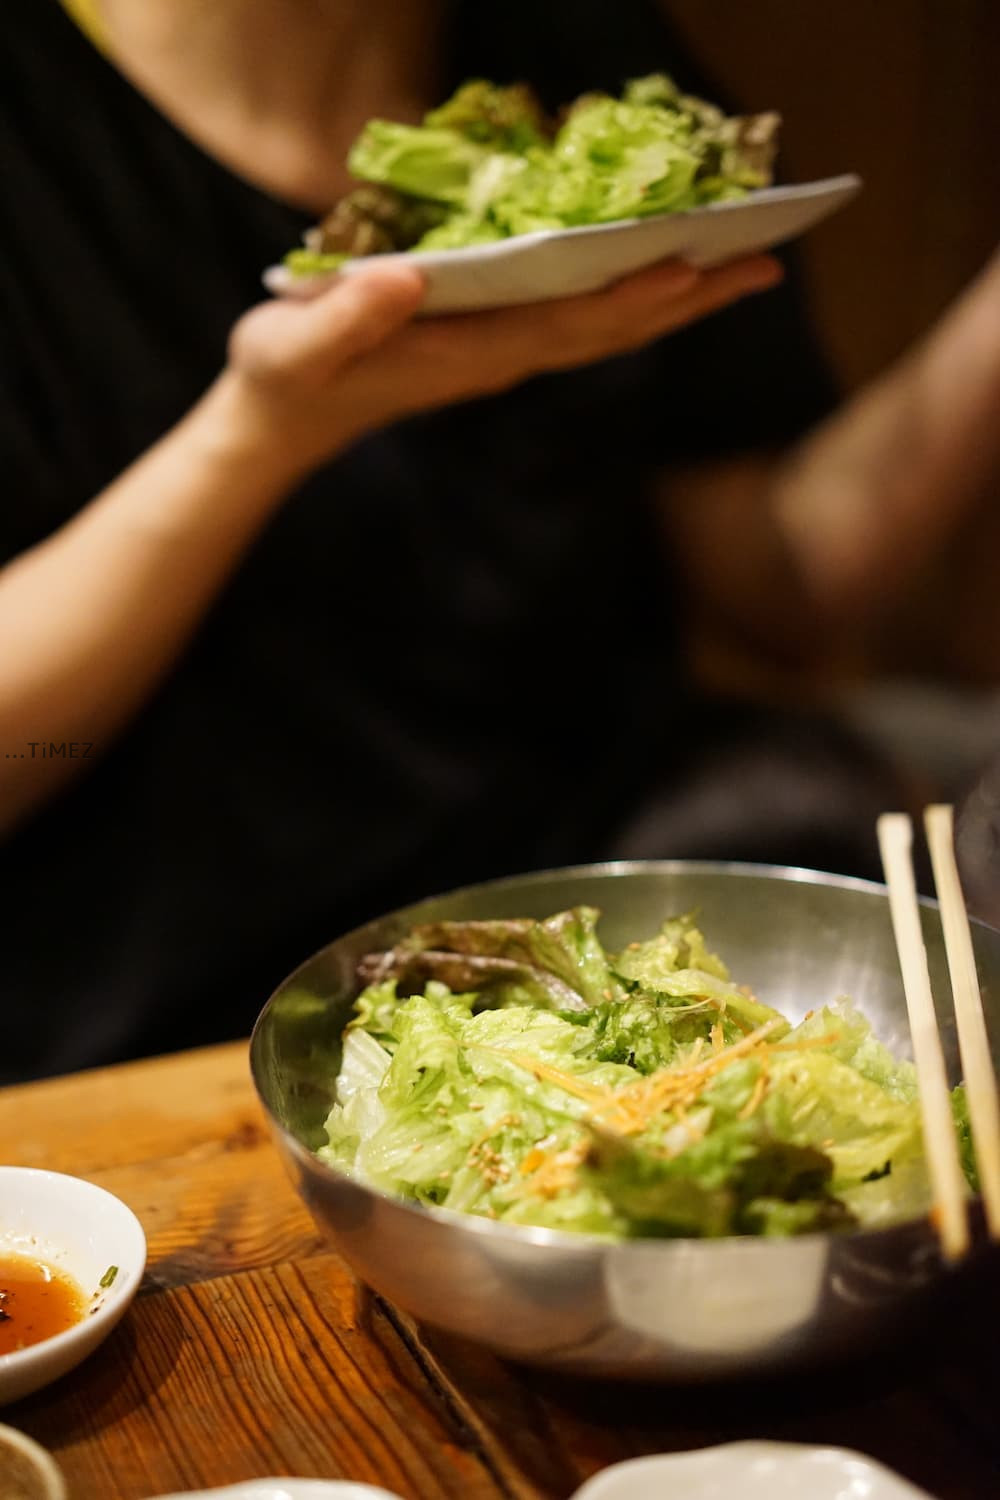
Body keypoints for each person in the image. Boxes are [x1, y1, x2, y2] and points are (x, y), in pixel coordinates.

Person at [2, 0, 998, 1082]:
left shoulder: (592, 70)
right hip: (144, 1022)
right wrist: (258, 435)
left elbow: (782, 589)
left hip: (591, 955)